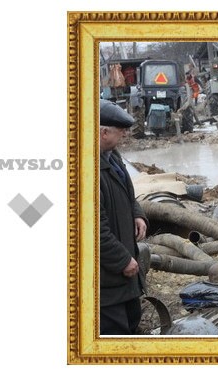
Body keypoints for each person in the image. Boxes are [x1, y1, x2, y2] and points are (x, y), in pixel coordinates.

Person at [99, 99, 149, 335]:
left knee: (132, 322)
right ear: (103, 132)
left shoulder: (113, 157)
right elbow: (93, 231)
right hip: (105, 283)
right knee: (113, 333)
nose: (125, 137)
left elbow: (128, 194)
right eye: (121, 132)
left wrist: (137, 214)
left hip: (123, 278)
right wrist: (122, 260)